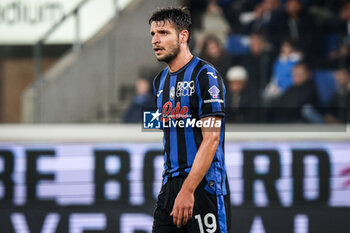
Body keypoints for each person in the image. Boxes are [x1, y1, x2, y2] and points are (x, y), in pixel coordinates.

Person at [149, 7, 230, 233]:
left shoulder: (205, 75)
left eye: (163, 33)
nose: (156, 40)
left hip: (204, 186)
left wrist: (188, 189)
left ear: (183, 36)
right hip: (170, 186)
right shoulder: (159, 81)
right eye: (153, 34)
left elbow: (212, 138)